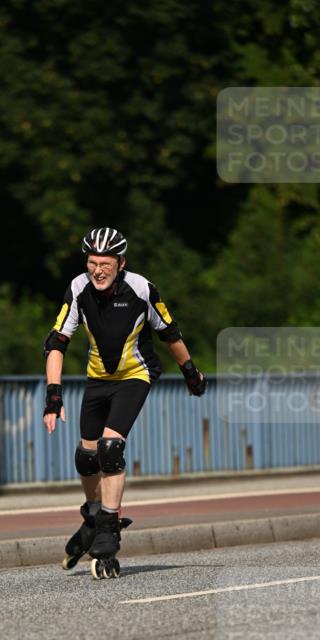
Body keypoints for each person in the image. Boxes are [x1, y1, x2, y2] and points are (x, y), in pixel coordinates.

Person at [43, 226, 206, 577]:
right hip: (97, 379)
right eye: (91, 262)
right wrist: (53, 396)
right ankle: (92, 516)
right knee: (86, 456)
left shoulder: (141, 288)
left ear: (121, 263)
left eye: (105, 263)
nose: (97, 270)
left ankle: (107, 531)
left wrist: (190, 371)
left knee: (110, 449)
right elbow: (56, 343)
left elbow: (169, 331)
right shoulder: (78, 288)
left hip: (135, 376)